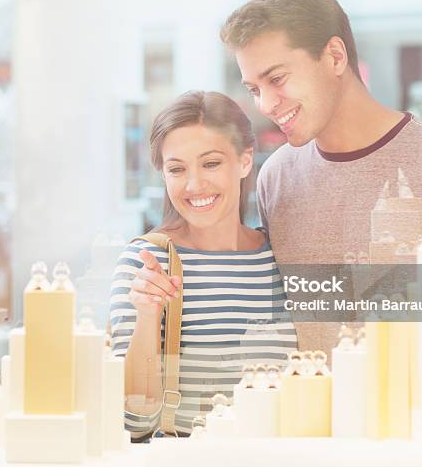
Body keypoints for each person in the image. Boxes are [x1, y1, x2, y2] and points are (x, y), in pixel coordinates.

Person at [220, 0, 422, 353]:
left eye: (277, 79)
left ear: (335, 56)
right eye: (255, 89)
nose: (267, 105)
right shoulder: (276, 177)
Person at [109, 90, 297, 439]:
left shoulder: (283, 259)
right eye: (177, 169)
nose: (194, 185)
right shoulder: (147, 263)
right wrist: (147, 317)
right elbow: (133, 424)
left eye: (211, 163)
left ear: (244, 161)